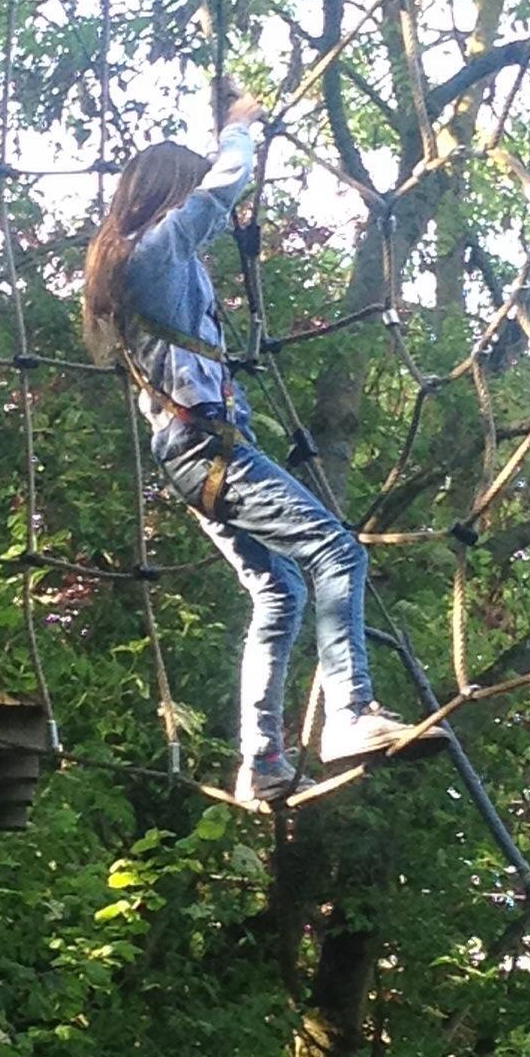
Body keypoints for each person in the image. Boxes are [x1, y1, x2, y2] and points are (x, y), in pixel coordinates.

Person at [83, 86, 430, 805]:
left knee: (280, 592)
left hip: (190, 451)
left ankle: (263, 759)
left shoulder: (143, 268)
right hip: (205, 448)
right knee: (337, 550)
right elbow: (220, 189)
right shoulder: (152, 253)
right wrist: (238, 131)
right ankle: (351, 713)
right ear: (164, 199)